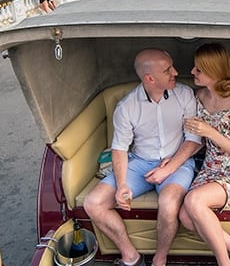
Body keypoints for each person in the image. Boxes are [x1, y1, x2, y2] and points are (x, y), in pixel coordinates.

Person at [83, 49, 202, 266]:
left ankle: (160, 258)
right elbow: (119, 148)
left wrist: (168, 169)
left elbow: (193, 140)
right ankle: (131, 256)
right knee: (93, 203)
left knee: (168, 202)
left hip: (177, 161)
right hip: (139, 164)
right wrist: (121, 186)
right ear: (150, 78)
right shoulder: (126, 107)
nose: (176, 72)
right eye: (168, 70)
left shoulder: (185, 95)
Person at [179, 43, 230, 266]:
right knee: (185, 216)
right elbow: (196, 140)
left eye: (199, 70)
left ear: (215, 73)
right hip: (211, 168)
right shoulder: (199, 96)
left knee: (194, 201)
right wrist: (174, 159)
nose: (192, 72)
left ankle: (225, 263)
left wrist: (210, 132)